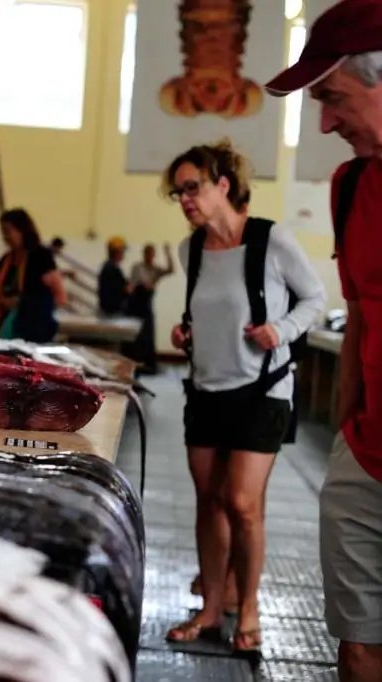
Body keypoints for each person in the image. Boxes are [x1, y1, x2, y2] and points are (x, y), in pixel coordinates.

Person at [161, 140, 325, 655]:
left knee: (242, 503)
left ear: (223, 185)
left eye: (193, 187)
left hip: (264, 391)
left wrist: (281, 329)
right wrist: (187, 332)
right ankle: (212, 609)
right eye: (178, 193)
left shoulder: (271, 241)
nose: (185, 199)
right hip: (206, 390)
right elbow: (208, 312)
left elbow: (316, 298)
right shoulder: (190, 250)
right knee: (209, 503)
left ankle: (248, 608)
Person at [264, 2, 382, 678]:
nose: (326, 122)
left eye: (333, 98)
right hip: (366, 460)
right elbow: (362, 307)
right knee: (360, 643)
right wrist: (345, 435)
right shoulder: (353, 185)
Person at [0, 208, 66, 342]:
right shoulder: (5, 261)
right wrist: (8, 303)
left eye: (8, 231)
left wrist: (28, 306)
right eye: (3, 232)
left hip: (34, 330)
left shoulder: (41, 257)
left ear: (22, 230)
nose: (5, 237)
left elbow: (60, 297)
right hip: (5, 329)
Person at [126, 243, 175, 373]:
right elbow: (132, 283)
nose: (149, 256)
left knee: (149, 333)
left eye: (151, 254)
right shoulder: (138, 267)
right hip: (137, 303)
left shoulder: (155, 269)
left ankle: (149, 363)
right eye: (147, 253)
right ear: (144, 254)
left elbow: (170, 270)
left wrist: (168, 254)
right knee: (138, 335)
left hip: (147, 302)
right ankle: (136, 362)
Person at [98, 237, 130, 315]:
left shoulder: (109, 267)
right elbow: (119, 288)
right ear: (116, 252)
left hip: (111, 308)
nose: (123, 254)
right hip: (113, 310)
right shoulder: (111, 269)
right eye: (122, 251)